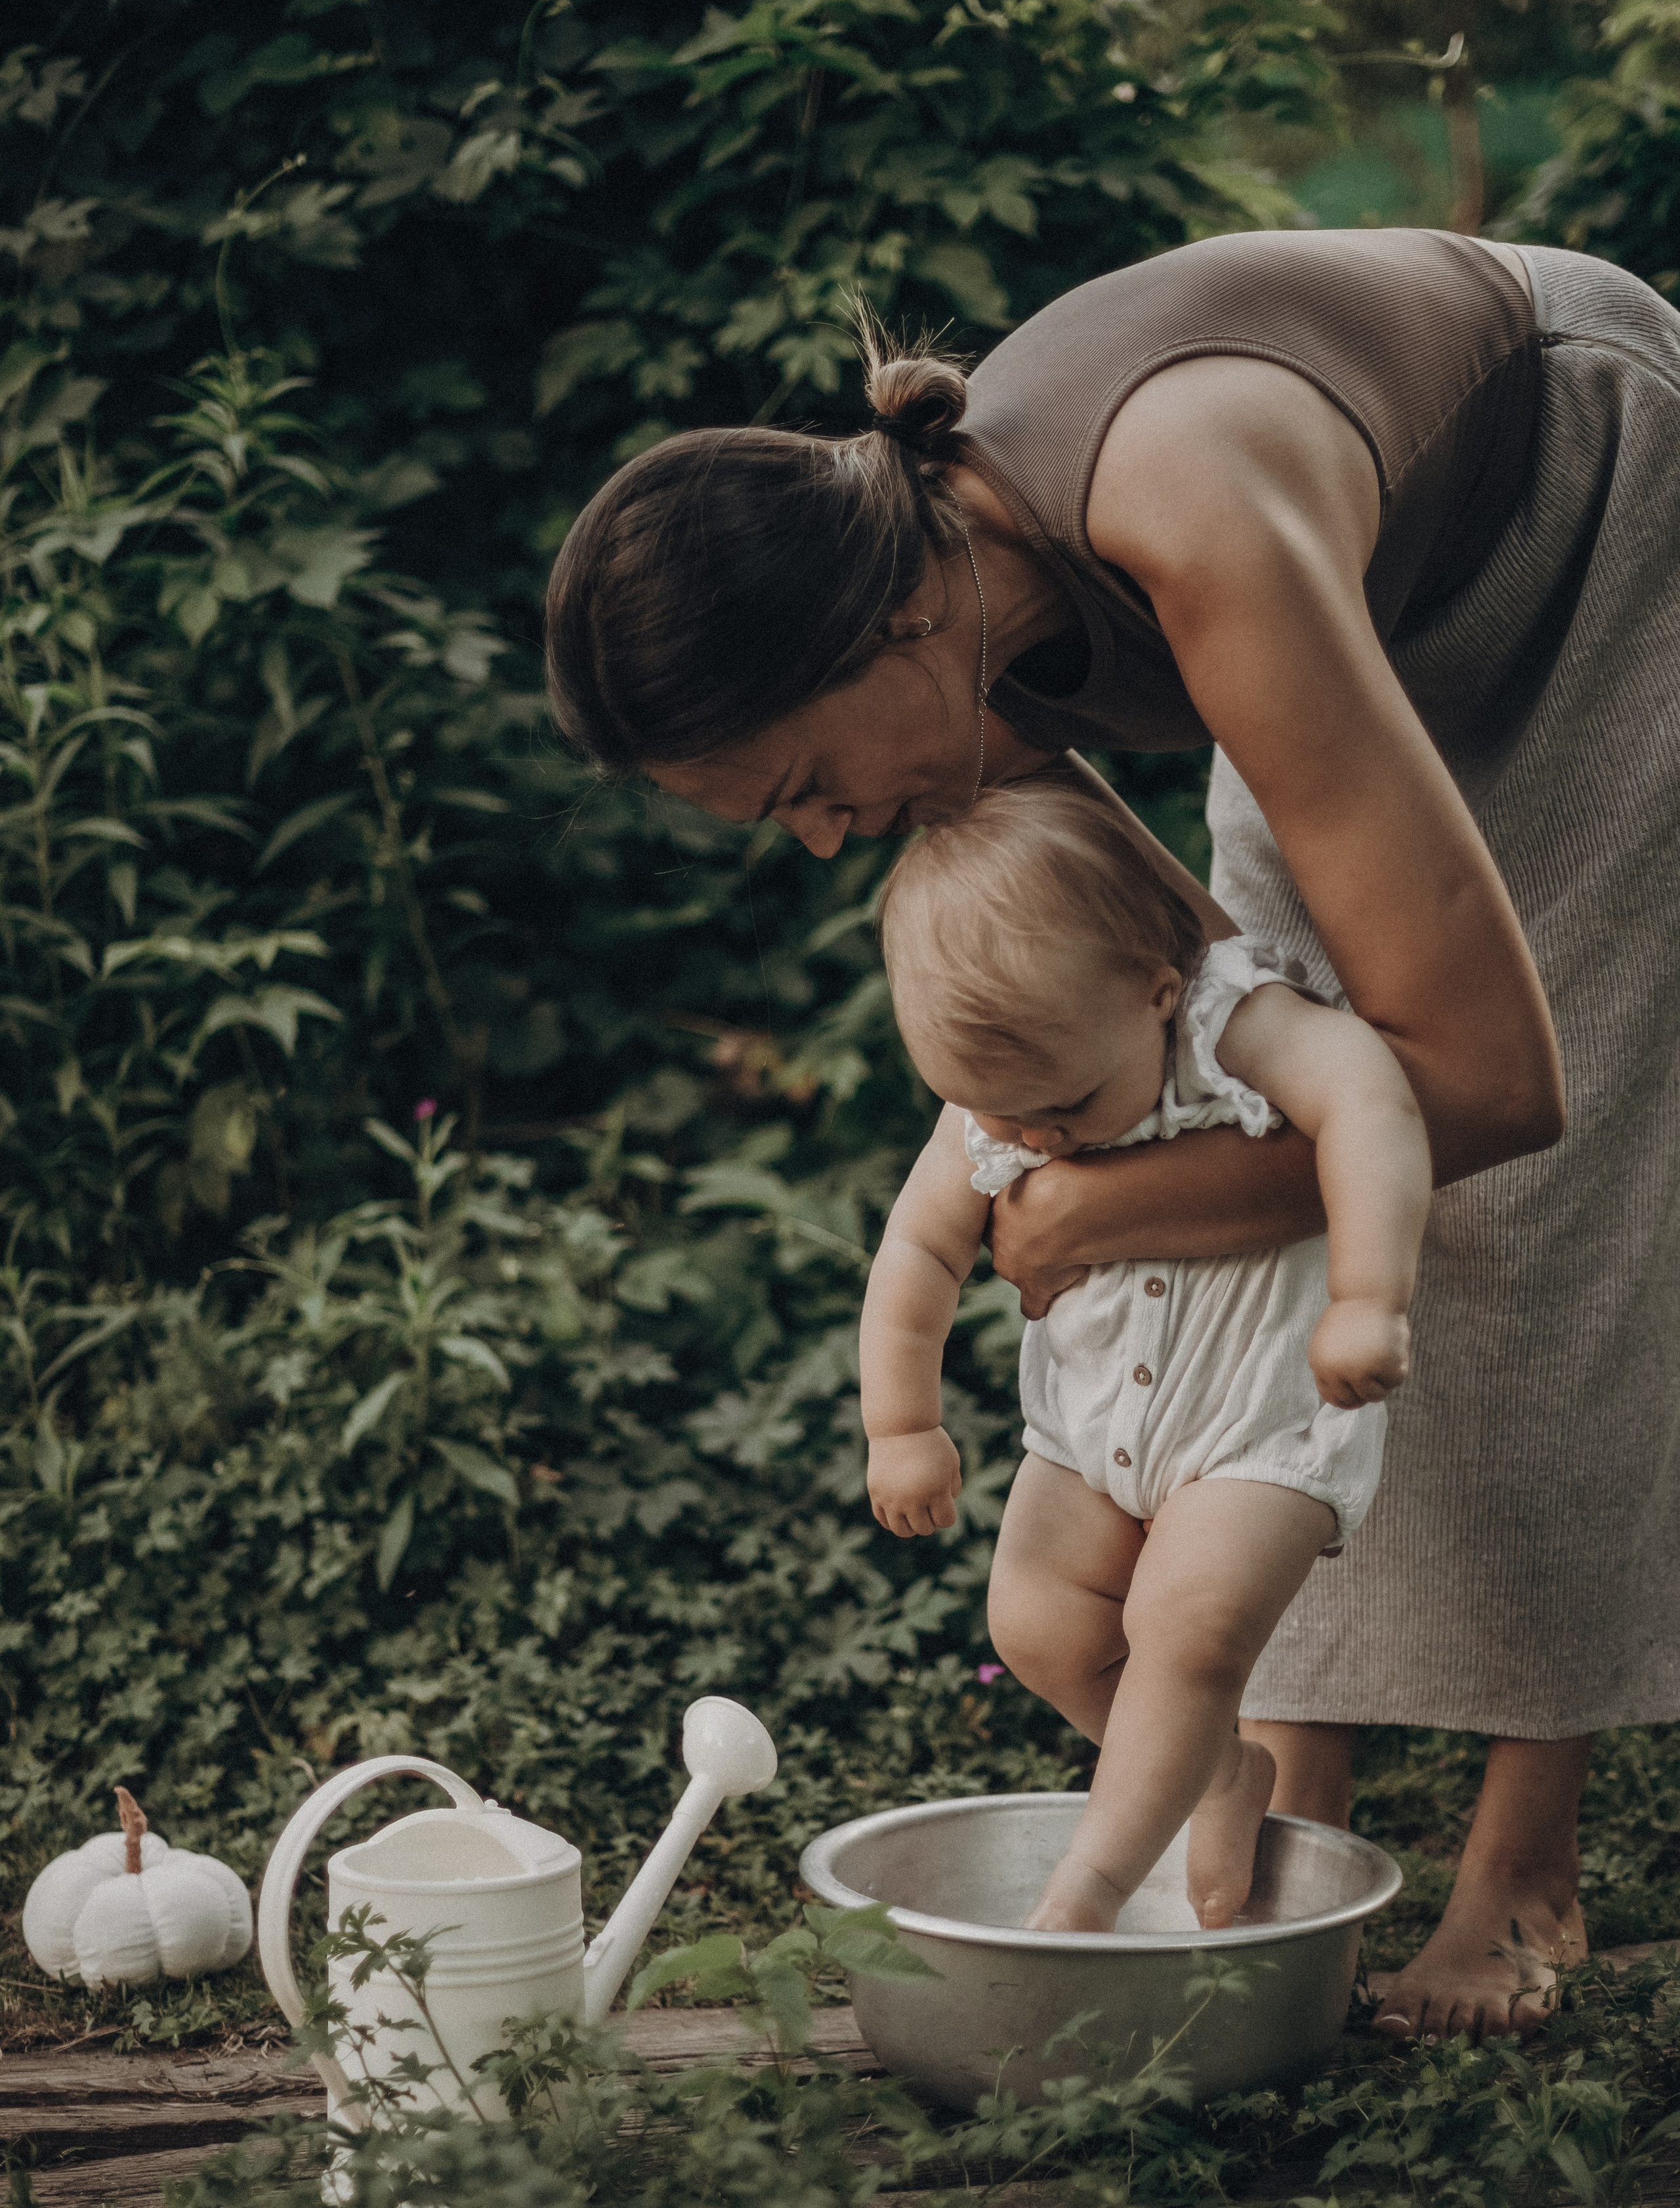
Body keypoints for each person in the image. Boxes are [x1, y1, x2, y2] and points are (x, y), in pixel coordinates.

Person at [545, 225, 1680, 2041]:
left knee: (1520, 1201)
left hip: (1593, 495)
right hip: (1364, 587)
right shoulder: (943, 613)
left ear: (886, 629)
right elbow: (1192, 994)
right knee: (1276, 1089)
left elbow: (1487, 1083)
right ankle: (1289, 1790)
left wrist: (1113, 1209)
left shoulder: (1191, 518)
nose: (831, 839)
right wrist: (1167, 1150)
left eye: (810, 786)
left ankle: (1521, 1862)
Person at [860, 778, 1429, 1934]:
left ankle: (1090, 1894)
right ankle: (1212, 1770)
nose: (1032, 1143)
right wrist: (902, 1423)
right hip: (1093, 1432)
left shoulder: (1233, 1026)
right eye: (995, 1114)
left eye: (1062, 1107)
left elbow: (1373, 1097)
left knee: (1182, 1627)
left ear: (1159, 993)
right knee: (1036, 1620)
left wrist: (1369, 1295)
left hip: (1260, 1426)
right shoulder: (1001, 1103)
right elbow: (918, 1250)